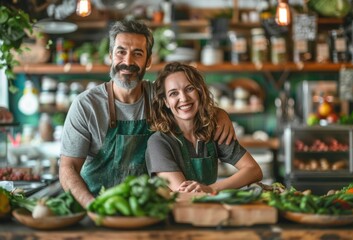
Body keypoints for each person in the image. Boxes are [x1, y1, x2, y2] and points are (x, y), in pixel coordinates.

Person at [59, 20, 236, 208]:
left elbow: (190, 105)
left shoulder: (159, 96)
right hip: (98, 204)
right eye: (121, 52)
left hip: (147, 206)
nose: (127, 62)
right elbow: (67, 168)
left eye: (137, 54)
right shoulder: (86, 106)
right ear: (110, 56)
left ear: (148, 61)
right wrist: (92, 206)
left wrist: (219, 113)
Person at [146, 62, 263, 193]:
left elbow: (254, 170)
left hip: (208, 208)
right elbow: (187, 193)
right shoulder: (158, 142)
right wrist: (210, 190)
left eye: (189, 89)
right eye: (174, 93)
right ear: (166, 102)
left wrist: (211, 188)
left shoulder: (213, 130)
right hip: (177, 211)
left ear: (199, 92)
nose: (184, 98)